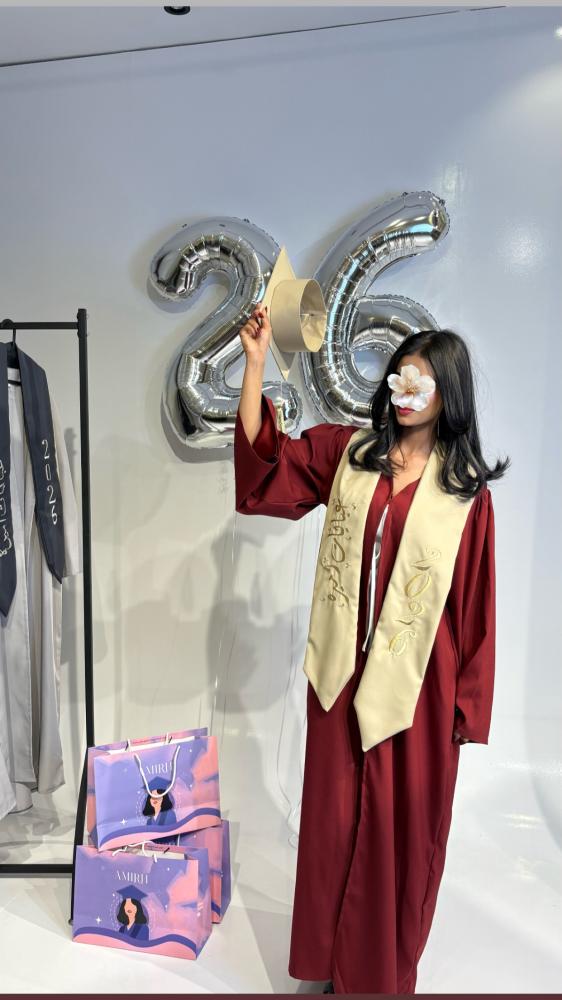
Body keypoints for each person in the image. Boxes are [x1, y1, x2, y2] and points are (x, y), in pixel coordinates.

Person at [233, 304, 508, 994]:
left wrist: (467, 708)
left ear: (449, 393)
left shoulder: (464, 493)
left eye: (423, 382)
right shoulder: (351, 455)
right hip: (341, 675)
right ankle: (326, 964)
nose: (407, 393)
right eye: (399, 378)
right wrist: (255, 364)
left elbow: (476, 606)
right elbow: (271, 466)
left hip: (417, 691)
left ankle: (375, 974)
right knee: (333, 822)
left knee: (400, 831)